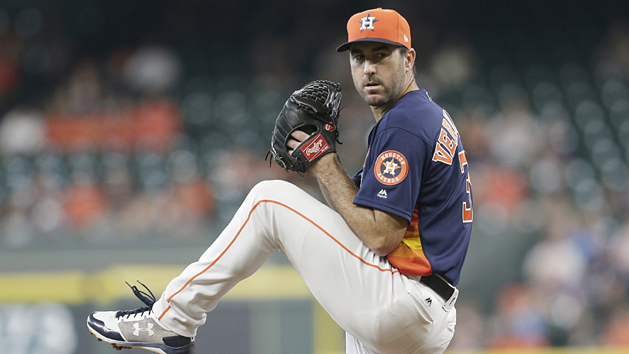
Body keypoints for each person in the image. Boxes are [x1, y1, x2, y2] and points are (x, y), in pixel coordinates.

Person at [87, 7, 473, 354]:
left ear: (409, 59)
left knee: (267, 201)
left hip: (402, 299)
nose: (368, 68)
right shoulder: (426, 116)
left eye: (380, 55)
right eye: (359, 57)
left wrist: (323, 163)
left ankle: (172, 320)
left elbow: (379, 236)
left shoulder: (404, 122)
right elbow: (366, 219)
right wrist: (324, 165)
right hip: (423, 311)